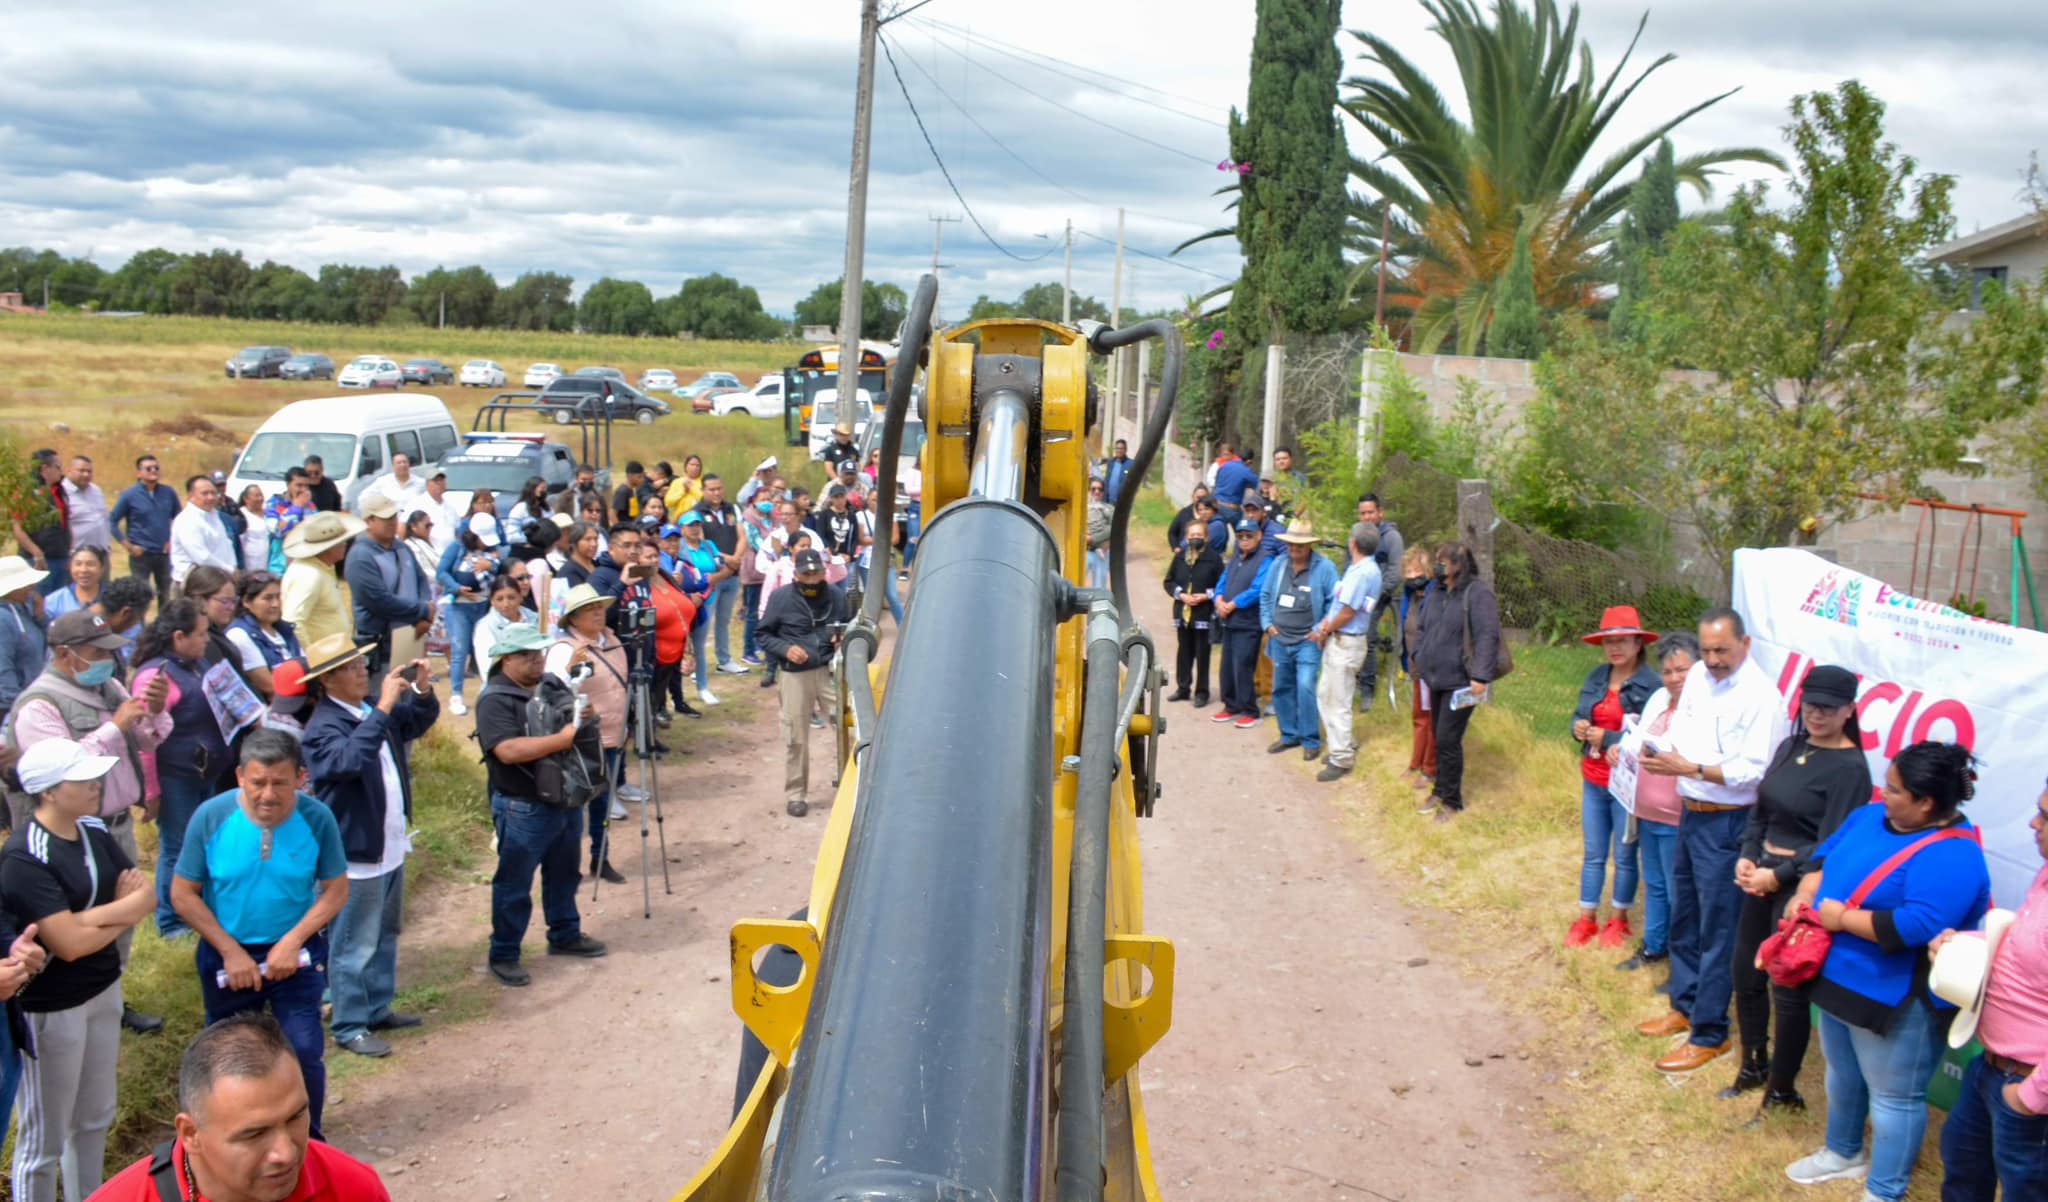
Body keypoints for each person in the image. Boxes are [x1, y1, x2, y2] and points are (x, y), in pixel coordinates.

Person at [1780, 741, 1991, 1201]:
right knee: (1842, 1071)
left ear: (1927, 802)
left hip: (1896, 996)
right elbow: (1827, 851)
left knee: (1894, 1097)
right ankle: (1843, 1152)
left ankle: (1885, 1188)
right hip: (1840, 977)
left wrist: (1842, 920)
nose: (1884, 793)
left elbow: (1919, 924)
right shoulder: (1872, 816)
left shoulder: (1954, 854)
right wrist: (1808, 888)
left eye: (1894, 790)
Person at [1633, 607, 1791, 1074]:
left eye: (1722, 650)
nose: (1713, 660)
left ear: (1746, 644)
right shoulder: (1700, 677)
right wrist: (1663, 755)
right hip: (1691, 813)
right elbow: (1686, 731)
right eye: (1706, 650)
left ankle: (1710, 1032)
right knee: (1685, 917)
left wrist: (1692, 769)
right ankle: (1683, 1005)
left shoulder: (1763, 698)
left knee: (1718, 931)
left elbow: (1757, 771)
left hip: (1730, 822)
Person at [171, 729, 347, 1143]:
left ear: (300, 778)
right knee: (228, 1059)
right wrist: (230, 952)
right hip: (225, 955)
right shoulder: (210, 818)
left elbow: (336, 889)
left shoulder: (317, 819)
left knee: (303, 1050)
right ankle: (231, 1140)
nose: (267, 795)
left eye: (280, 783)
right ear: (239, 777)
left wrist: (293, 941)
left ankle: (310, 1142)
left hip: (296, 953)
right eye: (257, 783)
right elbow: (183, 894)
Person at [5, 609, 170, 1036]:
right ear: (65, 654)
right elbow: (57, 773)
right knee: (79, 918)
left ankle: (113, 994)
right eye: (96, 652)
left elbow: (149, 739)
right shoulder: (38, 706)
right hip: (69, 838)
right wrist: (114, 728)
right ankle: (80, 1000)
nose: (107, 661)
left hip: (113, 826)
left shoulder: (108, 685)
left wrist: (152, 711)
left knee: (116, 920)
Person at [1721, 662, 1871, 1114]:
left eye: (1828, 708)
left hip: (1800, 885)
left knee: (1786, 992)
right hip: (1760, 870)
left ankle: (1782, 1090)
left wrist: (1779, 877)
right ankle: (1753, 1063)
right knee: (1745, 975)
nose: (1816, 715)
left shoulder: (1850, 769)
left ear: (1849, 711)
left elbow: (1833, 843)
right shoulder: (1791, 745)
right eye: (1810, 705)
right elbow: (1761, 808)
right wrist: (1748, 853)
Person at [2, 739, 148, 1202]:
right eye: (82, 779)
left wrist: (89, 920)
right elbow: (65, 947)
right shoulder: (25, 855)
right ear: (48, 792)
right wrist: (119, 910)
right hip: (52, 1008)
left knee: (94, 1117)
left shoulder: (91, 828)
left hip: (103, 989)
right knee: (43, 1137)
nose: (96, 784)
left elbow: (147, 895)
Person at [302, 635, 438, 1060]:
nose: (363, 671)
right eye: (351, 667)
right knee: (352, 943)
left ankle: (377, 1006)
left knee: (385, 932)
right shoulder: (322, 726)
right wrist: (381, 709)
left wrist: (422, 692)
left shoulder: (366, 711)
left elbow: (414, 723)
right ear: (327, 680)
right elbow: (347, 762)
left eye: (362, 664)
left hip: (389, 844)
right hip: (354, 853)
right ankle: (349, 1023)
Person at [92, 1012, 391, 1202]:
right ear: (191, 1133)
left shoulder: (352, 1189)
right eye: (254, 1134)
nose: (286, 1154)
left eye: (295, 1116)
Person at [475, 624, 607, 986]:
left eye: (538, 653)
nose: (535, 661)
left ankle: (564, 933)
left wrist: (584, 715)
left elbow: (572, 719)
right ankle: (504, 953)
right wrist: (561, 739)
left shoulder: (549, 683)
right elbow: (507, 750)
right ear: (504, 660)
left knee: (565, 873)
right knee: (514, 885)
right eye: (525, 656)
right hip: (523, 806)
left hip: (564, 798)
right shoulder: (494, 700)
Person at [1936, 776, 2048, 1202]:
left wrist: (2030, 1097)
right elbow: (2025, 948)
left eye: (2045, 815)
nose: (2033, 824)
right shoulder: (2045, 874)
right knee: (1963, 1172)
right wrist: (1960, 944)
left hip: (2030, 1088)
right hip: (1990, 1067)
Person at [131, 601, 241, 938]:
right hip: (175, 777)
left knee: (205, 842)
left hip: (205, 773)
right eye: (201, 634)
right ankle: (171, 920)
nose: (207, 640)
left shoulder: (196, 663)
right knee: (177, 847)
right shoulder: (156, 676)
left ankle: (199, 909)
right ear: (179, 636)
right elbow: (144, 736)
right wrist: (151, 793)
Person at [1565, 606, 1662, 949]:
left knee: (1623, 854)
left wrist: (1605, 739)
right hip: (1593, 777)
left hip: (1626, 784)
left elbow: (1652, 739)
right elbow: (1579, 716)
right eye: (1608, 642)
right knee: (1593, 852)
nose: (1614, 649)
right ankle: (1586, 918)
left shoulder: (1653, 687)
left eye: (1621, 641)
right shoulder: (1596, 677)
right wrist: (1578, 729)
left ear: (1638, 643)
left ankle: (1618, 920)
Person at [1610, 632, 1699, 977]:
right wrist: (1621, 748)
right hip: (1645, 811)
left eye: (1682, 670)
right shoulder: (1659, 698)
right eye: (1668, 671)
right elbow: (1638, 738)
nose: (1674, 678)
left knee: (1679, 891)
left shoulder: (1702, 707)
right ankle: (1653, 946)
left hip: (1677, 816)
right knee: (1656, 884)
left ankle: (1682, 962)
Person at [1410, 542, 1502, 820]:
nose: (1438, 566)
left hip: (1461, 681)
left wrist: (1481, 675)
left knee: (1449, 739)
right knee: (1438, 736)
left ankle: (1452, 801)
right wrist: (1419, 657)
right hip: (1435, 677)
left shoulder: (1477, 593)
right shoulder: (1435, 591)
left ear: (1459, 565)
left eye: (1443, 562)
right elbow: (1423, 626)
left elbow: (1488, 635)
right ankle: (1440, 789)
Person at [544, 585, 629, 882]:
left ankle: (600, 858)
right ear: (572, 618)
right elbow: (550, 695)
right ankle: (568, 866)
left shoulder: (613, 640)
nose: (597, 613)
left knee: (603, 804)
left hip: (614, 734)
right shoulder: (564, 649)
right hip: (581, 740)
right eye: (588, 609)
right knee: (576, 804)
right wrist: (570, 670)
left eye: (599, 607)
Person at [756, 549, 846, 816]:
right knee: (796, 736)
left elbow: (851, 625)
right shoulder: (781, 598)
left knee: (848, 726)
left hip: (830, 670)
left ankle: (850, 779)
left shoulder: (837, 596)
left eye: (816, 573)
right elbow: (763, 634)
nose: (811, 579)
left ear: (824, 572)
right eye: (805, 574)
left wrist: (843, 639)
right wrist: (785, 649)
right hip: (795, 674)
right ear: (795, 574)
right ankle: (796, 793)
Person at [1259, 519, 1337, 762]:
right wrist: (1267, 623)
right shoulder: (1279, 564)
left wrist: (1319, 629)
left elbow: (1334, 603)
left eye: (1300, 546)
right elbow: (1265, 595)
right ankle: (1288, 735)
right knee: (1281, 687)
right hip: (1280, 638)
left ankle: (1310, 739)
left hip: (1307, 642)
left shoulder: (1324, 568)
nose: (1294, 550)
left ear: (1310, 546)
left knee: (1305, 686)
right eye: (1291, 545)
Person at [1310, 523, 1382, 782]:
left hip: (1346, 641)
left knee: (1338, 700)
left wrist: (1325, 630)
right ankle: (1343, 742)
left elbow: (1348, 611)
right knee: (1326, 694)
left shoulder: (1363, 573)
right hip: (1340, 639)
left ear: (1353, 543)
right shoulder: (1360, 568)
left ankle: (1342, 757)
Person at [344, 494, 432, 675]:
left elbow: (421, 580)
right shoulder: (361, 556)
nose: (392, 522)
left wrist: (425, 614)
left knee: (410, 694)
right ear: (369, 521)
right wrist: (421, 611)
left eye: (393, 517)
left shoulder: (402, 547)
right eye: (385, 518)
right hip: (380, 643)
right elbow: (378, 600)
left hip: (409, 637)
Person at [1211, 519, 1275, 731]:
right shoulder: (1235, 558)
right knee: (1227, 667)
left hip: (1248, 623)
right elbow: (1222, 580)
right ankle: (1231, 705)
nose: (1244, 540)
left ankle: (1250, 710)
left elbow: (1258, 589)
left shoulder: (1265, 559)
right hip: (1229, 622)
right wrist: (1218, 599)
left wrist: (1233, 604)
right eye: (1240, 536)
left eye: (1249, 535)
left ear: (1258, 536)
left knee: (1243, 667)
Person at [436, 528, 498, 717]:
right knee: (460, 650)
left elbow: (502, 565)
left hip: (482, 606)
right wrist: (456, 587)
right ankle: (456, 695)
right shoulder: (456, 548)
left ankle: (488, 691)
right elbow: (441, 572)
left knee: (486, 649)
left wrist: (491, 565)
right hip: (459, 606)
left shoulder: (492, 550)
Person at [279, 511, 361, 651]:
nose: (346, 544)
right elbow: (293, 621)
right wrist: (312, 658)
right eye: (341, 541)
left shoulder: (322, 569)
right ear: (328, 547)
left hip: (335, 654)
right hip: (325, 660)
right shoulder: (309, 575)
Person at [1162, 520, 1222, 708]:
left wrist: (1207, 595)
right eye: (1192, 535)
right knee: (1184, 652)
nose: (1195, 538)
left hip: (1203, 614)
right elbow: (1168, 581)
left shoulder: (1214, 559)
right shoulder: (1180, 558)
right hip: (1183, 613)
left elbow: (1223, 585)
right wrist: (1181, 595)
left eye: (1199, 535)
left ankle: (1202, 692)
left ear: (1206, 537)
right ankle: (1183, 688)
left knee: (1202, 654)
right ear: (1186, 537)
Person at [1354, 494, 1405, 713]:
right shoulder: (1357, 535)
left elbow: (1395, 573)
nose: (1366, 517)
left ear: (1380, 512)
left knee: (1368, 637)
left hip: (1379, 597)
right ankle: (1353, 679)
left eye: (1370, 512)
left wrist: (1373, 597)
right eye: (1362, 513)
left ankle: (1367, 688)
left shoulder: (1392, 537)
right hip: (1355, 597)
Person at [675, 513, 731, 706]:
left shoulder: (709, 545)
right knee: (678, 647)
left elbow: (723, 568)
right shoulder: (677, 547)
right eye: (690, 525)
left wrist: (715, 578)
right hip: (682, 603)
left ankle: (702, 688)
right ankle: (676, 694)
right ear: (681, 528)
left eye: (697, 524)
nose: (694, 528)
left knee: (699, 645)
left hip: (706, 601)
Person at [109, 455, 179, 606]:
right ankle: (139, 626)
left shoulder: (168, 493)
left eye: (156, 468)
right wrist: (128, 545)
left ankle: (164, 627)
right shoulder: (129, 495)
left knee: (165, 594)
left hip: (164, 554)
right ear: (139, 473)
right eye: (148, 468)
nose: (153, 471)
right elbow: (112, 521)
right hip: (141, 554)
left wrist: (172, 540)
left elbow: (179, 519)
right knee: (140, 594)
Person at [1395, 547, 1437, 792]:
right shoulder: (1408, 595)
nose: (1412, 576)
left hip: (1432, 668)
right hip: (1414, 665)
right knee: (1419, 717)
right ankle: (1415, 763)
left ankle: (1429, 769)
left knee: (1431, 719)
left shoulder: (1435, 595)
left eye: (1417, 571)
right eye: (1408, 571)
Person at [13, 449, 69, 596]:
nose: (61, 471)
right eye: (57, 467)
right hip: (38, 561)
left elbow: (66, 524)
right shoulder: (27, 492)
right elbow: (17, 527)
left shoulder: (59, 490)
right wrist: (37, 553)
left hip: (61, 558)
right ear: (45, 468)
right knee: (39, 604)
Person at [0, 556, 50, 716]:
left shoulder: (26, 608)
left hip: (32, 698)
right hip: (14, 707)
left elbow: (49, 642)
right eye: (26, 584)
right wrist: (14, 707)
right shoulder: (3, 618)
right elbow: (3, 666)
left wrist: (40, 616)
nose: (32, 587)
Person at [169, 474, 236, 592]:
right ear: (190, 496)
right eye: (205, 493)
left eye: (213, 493)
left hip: (217, 581)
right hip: (192, 585)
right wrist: (230, 571)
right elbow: (202, 557)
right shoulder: (188, 520)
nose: (210, 497)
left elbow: (225, 547)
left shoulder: (214, 516)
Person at [44, 546, 108, 624]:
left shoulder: (113, 599)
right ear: (70, 567)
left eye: (90, 564)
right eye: (78, 564)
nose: (84, 570)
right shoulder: (54, 601)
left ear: (102, 568)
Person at [61, 456, 109, 557]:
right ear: (69, 470)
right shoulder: (61, 493)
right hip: (76, 557)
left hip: (100, 555)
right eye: (81, 471)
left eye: (89, 471)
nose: (86, 474)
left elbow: (103, 519)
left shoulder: (96, 490)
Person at [363, 452, 425, 517]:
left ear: (409, 464)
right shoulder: (383, 481)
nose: (402, 465)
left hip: (414, 523)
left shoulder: (420, 483)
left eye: (405, 462)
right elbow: (364, 497)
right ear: (393, 466)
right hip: (392, 522)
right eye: (399, 463)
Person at [1210, 445, 1256, 527]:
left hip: (1216, 505)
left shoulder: (1223, 466)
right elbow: (1259, 486)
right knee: (1244, 531)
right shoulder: (1246, 471)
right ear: (1249, 462)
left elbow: (1216, 483)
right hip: (1231, 510)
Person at [231, 485, 270, 574]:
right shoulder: (241, 515)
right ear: (246, 499)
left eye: (261, 495)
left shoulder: (268, 513)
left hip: (267, 564)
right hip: (250, 565)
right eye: (256, 496)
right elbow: (238, 543)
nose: (260, 498)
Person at [506, 476, 550, 549]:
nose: (544, 491)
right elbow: (511, 537)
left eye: (546, 488)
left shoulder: (547, 509)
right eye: (542, 488)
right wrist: (530, 539)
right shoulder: (520, 508)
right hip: (524, 550)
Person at [1166, 483, 1212, 551]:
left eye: (1204, 497)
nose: (1201, 500)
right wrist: (1175, 547)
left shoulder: (1212, 517)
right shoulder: (1184, 513)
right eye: (1198, 497)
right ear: (1192, 497)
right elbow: (1172, 532)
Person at [1085, 478, 1113, 590]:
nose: (1096, 492)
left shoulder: (1109, 509)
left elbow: (1114, 528)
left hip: (1101, 553)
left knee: (1099, 589)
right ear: (1088, 490)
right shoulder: (1081, 508)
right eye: (1093, 489)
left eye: (1100, 489)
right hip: (1083, 553)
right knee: (1075, 584)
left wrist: (1093, 539)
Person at [1101, 438, 1132, 504]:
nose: (1119, 450)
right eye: (1117, 448)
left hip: (1122, 504)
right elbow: (1107, 481)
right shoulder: (1110, 463)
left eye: (1121, 448)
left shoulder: (1131, 464)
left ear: (1125, 450)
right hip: (1108, 501)